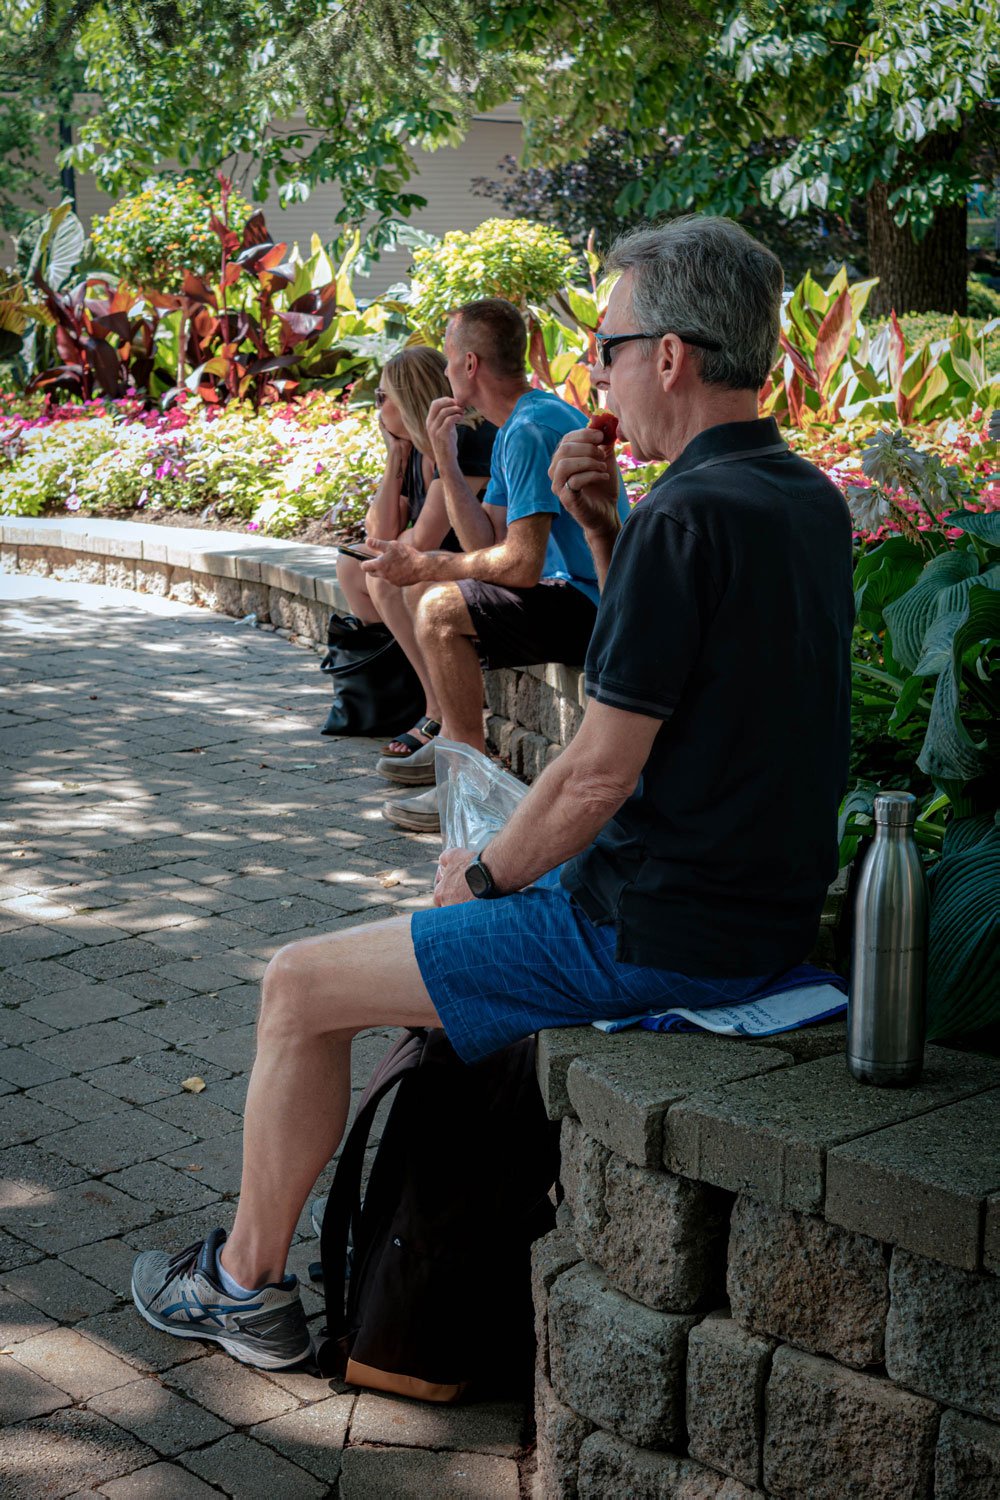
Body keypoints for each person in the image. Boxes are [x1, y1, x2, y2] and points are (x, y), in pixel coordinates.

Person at [131, 216, 854, 1372]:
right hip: (757, 912)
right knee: (435, 906)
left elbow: (601, 770)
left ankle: (241, 1289)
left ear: (669, 356)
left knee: (298, 983)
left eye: (609, 346)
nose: (597, 372)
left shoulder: (692, 514)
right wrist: (604, 532)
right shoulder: (799, 499)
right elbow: (688, 679)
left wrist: (481, 874)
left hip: (659, 931)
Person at [361, 297, 630, 833]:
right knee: (429, 586)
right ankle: (452, 750)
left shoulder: (532, 430)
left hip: (595, 600)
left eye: (447, 358)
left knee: (437, 601)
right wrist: (445, 459)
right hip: (567, 592)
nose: (442, 371)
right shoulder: (518, 425)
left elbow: (521, 564)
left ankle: (470, 784)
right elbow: (482, 537)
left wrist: (428, 567)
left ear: (469, 365)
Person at [335, 345, 496, 759]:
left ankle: (437, 709)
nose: (377, 406)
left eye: (382, 396)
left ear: (409, 397)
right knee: (353, 567)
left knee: (382, 575)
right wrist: (395, 457)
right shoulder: (416, 448)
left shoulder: (463, 438)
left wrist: (390, 550)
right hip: (440, 565)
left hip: (479, 565)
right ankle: (419, 688)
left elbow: (423, 538)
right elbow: (382, 529)